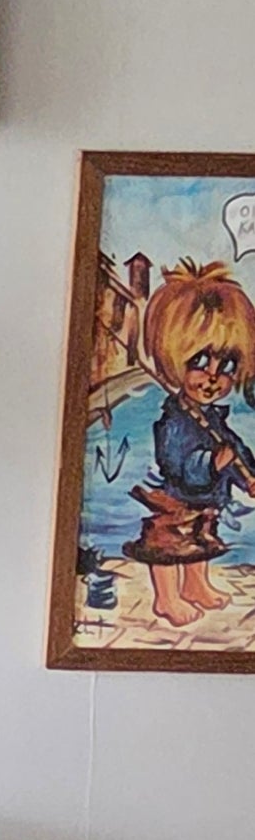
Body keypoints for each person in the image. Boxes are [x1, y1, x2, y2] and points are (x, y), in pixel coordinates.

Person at [125, 260, 255, 630]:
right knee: (168, 546)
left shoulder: (212, 418)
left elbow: (234, 448)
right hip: (176, 498)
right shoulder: (175, 420)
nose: (213, 377)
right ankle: (166, 598)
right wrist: (210, 465)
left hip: (206, 499)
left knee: (202, 539)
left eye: (226, 365)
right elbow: (174, 461)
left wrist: (247, 476)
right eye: (200, 361)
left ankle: (196, 585)